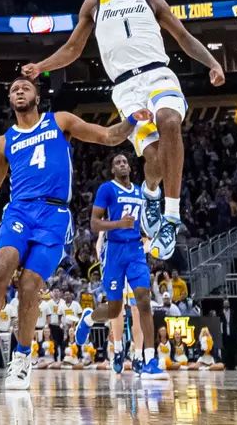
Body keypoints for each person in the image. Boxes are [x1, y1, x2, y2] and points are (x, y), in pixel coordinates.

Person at [0, 76, 149, 391]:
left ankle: (22, 360)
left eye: (25, 87)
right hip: (19, 210)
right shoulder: (4, 141)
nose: (19, 90)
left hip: (54, 214)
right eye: (13, 88)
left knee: (29, 285)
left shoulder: (60, 121)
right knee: (2, 266)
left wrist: (131, 120)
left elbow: (107, 136)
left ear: (37, 96)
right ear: (10, 100)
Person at [22, 0, 225, 260]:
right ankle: (151, 193)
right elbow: (73, 49)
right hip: (125, 89)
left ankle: (171, 217)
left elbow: (183, 36)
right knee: (154, 158)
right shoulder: (94, 5)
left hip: (158, 74)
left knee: (169, 120)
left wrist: (212, 63)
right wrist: (41, 66)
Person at [76, 152, 165, 380]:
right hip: (114, 252)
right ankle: (89, 318)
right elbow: (95, 223)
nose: (122, 164)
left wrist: (151, 235)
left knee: (143, 301)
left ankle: (148, 359)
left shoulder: (139, 192)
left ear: (130, 168)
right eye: (118, 162)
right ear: (113, 170)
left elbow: (146, 222)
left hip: (135, 251)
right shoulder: (107, 189)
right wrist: (118, 224)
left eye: (125, 161)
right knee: (115, 310)